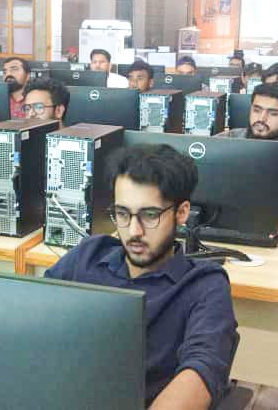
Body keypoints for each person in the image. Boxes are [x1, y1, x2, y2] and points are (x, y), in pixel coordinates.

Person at [45, 144, 237, 409]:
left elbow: (202, 370)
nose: (133, 231)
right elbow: (34, 320)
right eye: (122, 213)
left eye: (149, 215)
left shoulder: (204, 285)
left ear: (181, 212)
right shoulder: (88, 255)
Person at [217, 83, 278, 244]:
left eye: (273, 113)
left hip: (257, 238)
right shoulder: (221, 142)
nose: (261, 119)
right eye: (257, 110)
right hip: (209, 230)